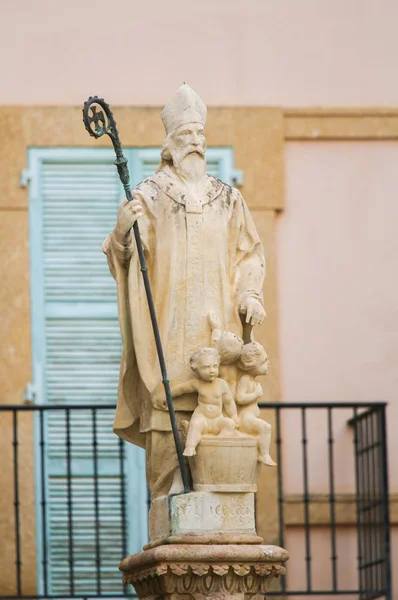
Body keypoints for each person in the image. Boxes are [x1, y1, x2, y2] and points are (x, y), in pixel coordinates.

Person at [103, 84, 266, 498]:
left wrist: (251, 295)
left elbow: (248, 254)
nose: (195, 141)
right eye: (186, 135)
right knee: (168, 405)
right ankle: (169, 494)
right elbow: (127, 255)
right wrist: (123, 233)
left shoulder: (228, 199)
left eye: (200, 135)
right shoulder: (150, 196)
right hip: (170, 325)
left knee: (217, 407)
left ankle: (218, 484)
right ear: (169, 144)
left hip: (218, 326)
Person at [156, 347, 238, 457]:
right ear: (197, 369)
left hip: (218, 419)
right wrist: (166, 396)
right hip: (202, 418)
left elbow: (228, 402)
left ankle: (219, 443)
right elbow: (181, 389)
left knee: (229, 424)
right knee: (195, 425)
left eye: (215, 366)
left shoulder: (221, 384)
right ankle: (190, 447)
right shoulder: (197, 384)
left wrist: (234, 416)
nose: (212, 370)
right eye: (206, 367)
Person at [235, 343, 276, 466]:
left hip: (250, 417)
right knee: (265, 428)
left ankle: (262, 452)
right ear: (251, 364)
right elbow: (240, 398)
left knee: (264, 428)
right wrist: (256, 395)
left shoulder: (251, 380)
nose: (268, 363)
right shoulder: (245, 379)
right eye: (264, 361)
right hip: (245, 419)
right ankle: (264, 454)